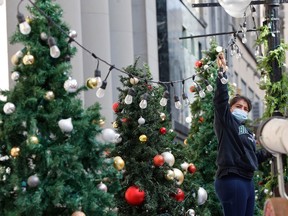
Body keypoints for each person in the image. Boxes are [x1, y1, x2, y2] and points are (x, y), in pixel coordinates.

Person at [213, 52, 272, 216]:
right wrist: (222, 72)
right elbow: (220, 100)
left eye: (246, 109)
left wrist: (272, 151)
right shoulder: (226, 122)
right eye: (238, 106)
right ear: (230, 109)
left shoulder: (246, 131)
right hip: (232, 179)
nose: (242, 110)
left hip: (247, 181)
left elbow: (253, 157)